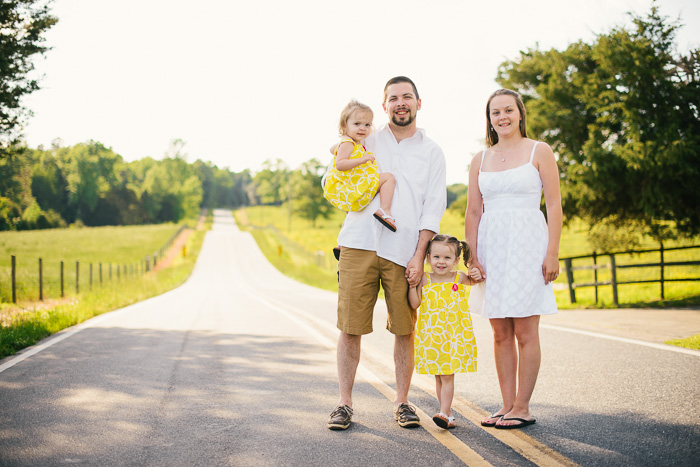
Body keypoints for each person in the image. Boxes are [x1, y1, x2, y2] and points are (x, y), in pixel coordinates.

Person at [327, 76, 447, 430]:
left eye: (406, 97)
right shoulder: (365, 137)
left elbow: (433, 208)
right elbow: (333, 173)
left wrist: (419, 255)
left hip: (403, 249)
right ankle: (344, 404)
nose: (400, 103)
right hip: (358, 243)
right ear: (385, 106)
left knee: (404, 329)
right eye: (393, 98)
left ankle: (402, 402)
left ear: (418, 103)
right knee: (350, 328)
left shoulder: (432, 151)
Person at [465, 88, 562, 430]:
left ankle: (523, 406)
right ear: (489, 119)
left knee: (524, 330)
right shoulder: (480, 158)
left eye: (508, 110)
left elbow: (553, 205)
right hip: (492, 247)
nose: (502, 117)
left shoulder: (540, 150)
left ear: (520, 113)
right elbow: (473, 211)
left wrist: (552, 252)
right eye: (495, 112)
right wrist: (472, 258)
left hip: (528, 246)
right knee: (499, 331)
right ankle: (506, 405)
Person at [408, 235, 481, 429]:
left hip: (453, 335)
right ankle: (446, 413)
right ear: (428, 258)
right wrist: (412, 286)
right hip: (432, 336)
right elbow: (415, 304)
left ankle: (444, 411)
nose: (441, 262)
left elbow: (476, 281)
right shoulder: (425, 279)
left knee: (447, 375)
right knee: (439, 375)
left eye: (447, 258)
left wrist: (475, 272)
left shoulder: (459, 278)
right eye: (436, 257)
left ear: (456, 261)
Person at [323, 100, 398, 231]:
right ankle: (385, 210)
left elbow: (332, 149)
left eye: (367, 124)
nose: (362, 128)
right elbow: (340, 164)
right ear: (344, 125)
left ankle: (341, 240)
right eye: (357, 124)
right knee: (388, 178)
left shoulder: (349, 143)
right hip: (354, 186)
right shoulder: (348, 143)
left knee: (350, 215)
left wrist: (338, 147)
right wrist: (362, 160)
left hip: (351, 186)